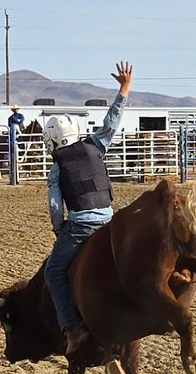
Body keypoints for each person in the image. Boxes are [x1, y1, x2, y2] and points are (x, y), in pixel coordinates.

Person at [43, 61, 134, 356]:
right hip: (109, 219)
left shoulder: (57, 164)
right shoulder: (96, 145)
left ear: (53, 140)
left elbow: (56, 206)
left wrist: (59, 229)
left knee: (54, 271)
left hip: (80, 224)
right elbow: (112, 121)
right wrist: (124, 88)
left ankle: (72, 325)